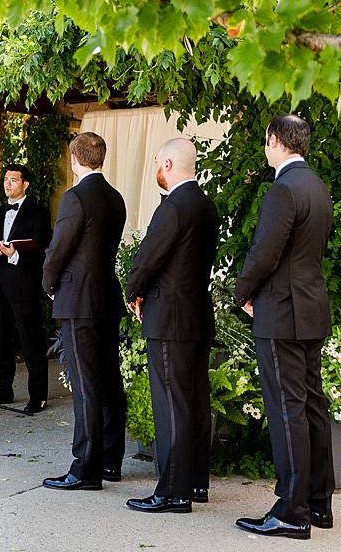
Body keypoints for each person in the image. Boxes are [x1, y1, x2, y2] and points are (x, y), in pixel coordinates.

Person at [233, 115, 334, 540]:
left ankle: (291, 512)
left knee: (287, 409)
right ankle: (317, 503)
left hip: (282, 312)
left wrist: (242, 292)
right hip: (310, 308)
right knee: (311, 405)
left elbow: (264, 253)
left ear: (274, 141)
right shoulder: (317, 186)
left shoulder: (283, 188)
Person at [122, 138, 219, 515]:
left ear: (166, 163)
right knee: (195, 401)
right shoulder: (206, 206)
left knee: (171, 405)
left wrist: (133, 291)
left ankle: (173, 491)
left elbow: (147, 259)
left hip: (169, 319)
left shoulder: (172, 207)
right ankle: (195, 482)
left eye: (156, 164)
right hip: (197, 314)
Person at [41, 132, 127, 491]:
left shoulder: (75, 198)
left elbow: (59, 250)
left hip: (78, 301)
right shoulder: (115, 198)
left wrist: (48, 283)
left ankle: (85, 468)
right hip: (107, 297)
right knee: (108, 380)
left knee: (85, 385)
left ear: (74, 159)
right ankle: (109, 460)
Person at [0, 164, 52, 414]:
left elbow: (44, 252)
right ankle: (2, 390)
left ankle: (38, 396)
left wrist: (15, 255)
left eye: (13, 180)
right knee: (1, 340)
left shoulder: (39, 214)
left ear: (25, 184)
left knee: (31, 340)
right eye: (6, 179)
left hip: (25, 286)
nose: (7, 184)